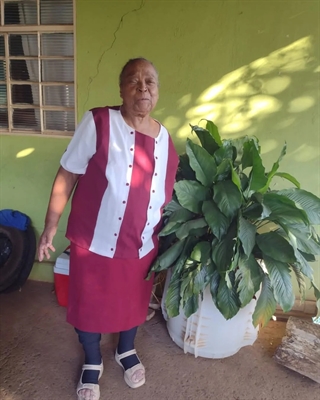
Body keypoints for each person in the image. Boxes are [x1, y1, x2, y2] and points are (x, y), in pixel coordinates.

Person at [38, 57, 179, 400]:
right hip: (96, 240)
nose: (143, 87)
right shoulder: (99, 121)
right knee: (88, 306)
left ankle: (125, 350)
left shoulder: (164, 137)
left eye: (150, 81)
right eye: (134, 80)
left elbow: (164, 190)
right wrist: (50, 226)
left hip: (141, 243)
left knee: (133, 302)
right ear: (120, 89)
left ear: (157, 91)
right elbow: (68, 172)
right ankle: (91, 360)